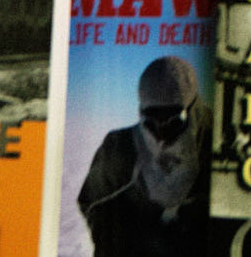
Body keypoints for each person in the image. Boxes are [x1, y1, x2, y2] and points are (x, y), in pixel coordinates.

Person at [75, 56, 209, 257]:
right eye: (151, 122)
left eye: (174, 123)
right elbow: (91, 204)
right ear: (140, 112)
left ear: (192, 109)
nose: (161, 136)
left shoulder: (212, 141)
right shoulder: (119, 146)